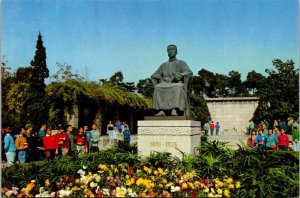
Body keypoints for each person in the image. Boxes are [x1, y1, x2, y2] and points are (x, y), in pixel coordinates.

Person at [151, 44, 193, 116]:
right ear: (167, 52)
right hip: (165, 83)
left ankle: (175, 109)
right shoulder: (163, 65)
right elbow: (154, 75)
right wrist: (160, 78)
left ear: (176, 52)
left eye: (172, 50)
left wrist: (181, 75)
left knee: (179, 87)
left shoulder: (181, 62)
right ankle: (161, 110)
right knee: (158, 87)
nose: (170, 52)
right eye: (169, 50)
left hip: (176, 83)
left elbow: (189, 72)